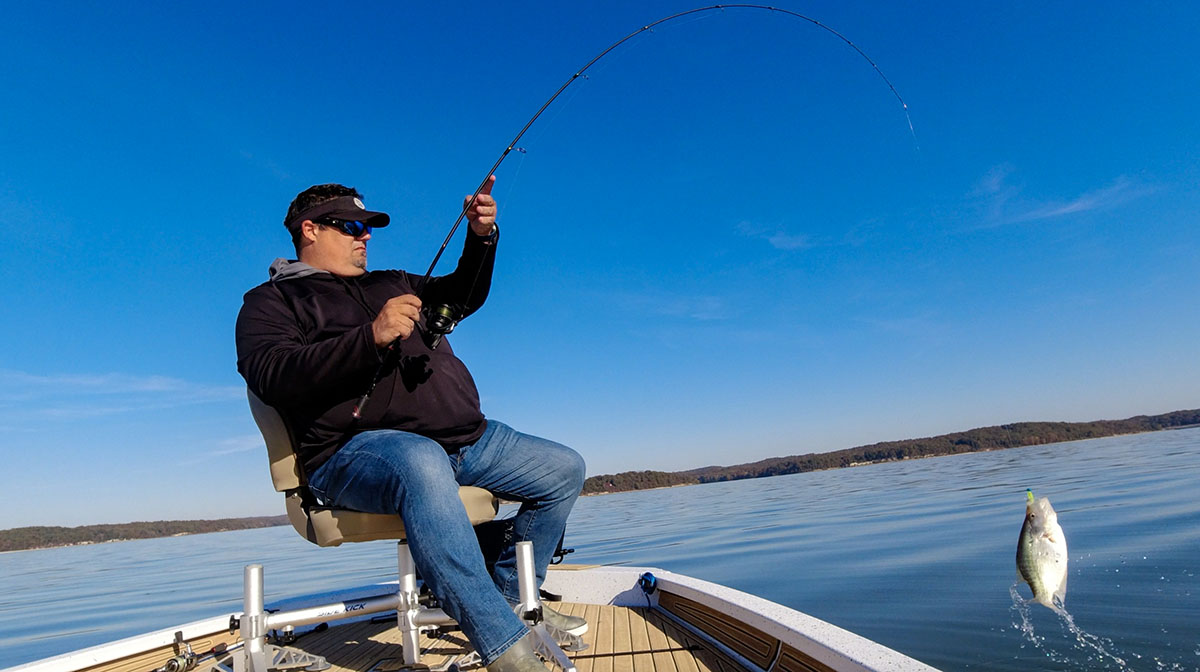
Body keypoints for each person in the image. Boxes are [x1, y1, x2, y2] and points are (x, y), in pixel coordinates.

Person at [235, 178, 586, 671]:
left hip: (466, 440)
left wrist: (481, 237)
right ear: (309, 230)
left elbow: (460, 294)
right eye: (351, 226)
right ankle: (507, 647)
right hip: (351, 452)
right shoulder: (270, 303)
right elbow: (272, 374)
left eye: (369, 227)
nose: (365, 236)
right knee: (419, 462)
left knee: (564, 468)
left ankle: (505, 595)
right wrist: (370, 338)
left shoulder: (391, 281)